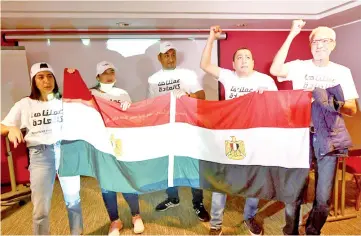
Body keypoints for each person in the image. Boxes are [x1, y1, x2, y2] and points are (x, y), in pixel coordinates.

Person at [270, 20, 359, 235]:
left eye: (325, 41)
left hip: (328, 137)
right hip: (300, 135)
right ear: (310, 45)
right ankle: (290, 231)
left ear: (333, 45)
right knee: (295, 191)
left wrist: (330, 102)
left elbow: (352, 109)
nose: (319, 45)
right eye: (315, 41)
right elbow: (275, 69)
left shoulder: (342, 72)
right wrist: (292, 34)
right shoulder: (300, 66)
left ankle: (312, 230)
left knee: (322, 198)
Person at [200, 25, 278, 236]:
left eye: (248, 57)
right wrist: (210, 38)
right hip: (229, 138)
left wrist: (267, 97)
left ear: (253, 62)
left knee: (253, 182)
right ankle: (216, 223)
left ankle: (249, 217)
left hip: (255, 140)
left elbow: (277, 109)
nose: (244, 60)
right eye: (239, 57)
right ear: (233, 64)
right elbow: (205, 64)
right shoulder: (228, 76)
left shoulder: (266, 81)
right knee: (221, 182)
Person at [1, 62, 84, 235]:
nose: (46, 80)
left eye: (49, 76)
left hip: (66, 151)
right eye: (41, 77)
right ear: (34, 81)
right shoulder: (25, 104)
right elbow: (2, 126)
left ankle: (77, 233)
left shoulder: (64, 101)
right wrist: (11, 128)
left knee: (73, 201)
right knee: (41, 208)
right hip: (40, 155)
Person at [148, 41, 210, 222]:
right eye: (166, 55)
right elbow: (151, 105)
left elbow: (202, 95)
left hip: (188, 128)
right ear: (159, 58)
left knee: (193, 165)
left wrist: (188, 96)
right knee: (170, 165)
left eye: (173, 54)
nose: (170, 58)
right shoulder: (153, 79)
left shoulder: (187, 74)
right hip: (166, 129)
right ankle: (172, 197)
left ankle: (198, 203)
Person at [90, 61, 144, 235]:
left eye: (111, 71)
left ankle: (136, 216)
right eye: (105, 72)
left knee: (127, 180)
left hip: (121, 144)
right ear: (98, 76)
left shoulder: (122, 93)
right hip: (101, 143)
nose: (109, 75)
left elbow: (130, 119)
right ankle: (115, 221)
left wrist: (129, 110)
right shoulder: (91, 94)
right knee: (107, 185)